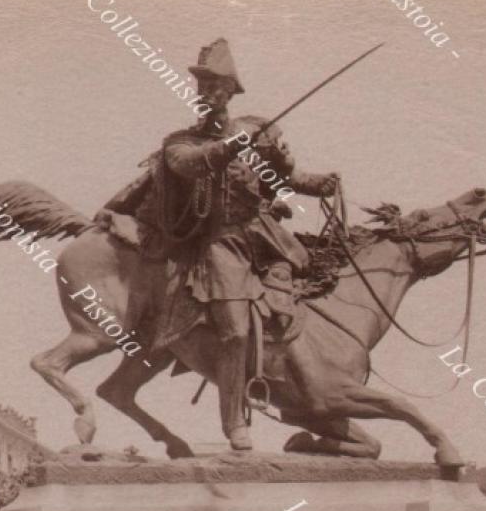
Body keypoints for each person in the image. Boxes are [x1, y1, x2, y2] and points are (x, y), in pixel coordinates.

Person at [100, 39, 340, 451]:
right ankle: (235, 424)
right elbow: (189, 165)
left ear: (230, 93)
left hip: (266, 238)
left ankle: (305, 380)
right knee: (235, 330)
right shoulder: (180, 141)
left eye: (215, 87)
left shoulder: (258, 130)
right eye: (201, 87)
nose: (206, 94)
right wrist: (232, 146)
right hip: (218, 243)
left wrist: (320, 184)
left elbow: (288, 174)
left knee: (307, 297)